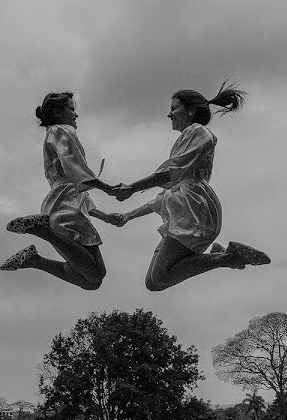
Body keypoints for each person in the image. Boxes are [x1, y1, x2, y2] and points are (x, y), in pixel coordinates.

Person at [108, 81, 270, 291]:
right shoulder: (187, 142)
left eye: (174, 108)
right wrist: (128, 215)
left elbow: (171, 172)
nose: (169, 114)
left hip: (193, 212)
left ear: (191, 111)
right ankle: (220, 256)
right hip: (186, 210)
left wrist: (132, 187)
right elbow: (167, 193)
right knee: (153, 283)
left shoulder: (199, 132)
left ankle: (227, 257)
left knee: (160, 277)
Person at [0, 92, 122, 290]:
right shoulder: (61, 131)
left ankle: (34, 259)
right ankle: (40, 230)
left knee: (92, 282)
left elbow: (77, 186)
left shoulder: (52, 134)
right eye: (71, 109)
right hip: (66, 205)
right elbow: (75, 168)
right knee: (96, 273)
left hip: (63, 204)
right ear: (58, 112)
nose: (76, 115)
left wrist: (105, 216)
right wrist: (107, 188)